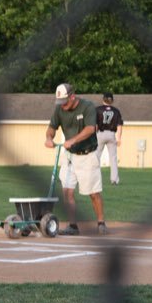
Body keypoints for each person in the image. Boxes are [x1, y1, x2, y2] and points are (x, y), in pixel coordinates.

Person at [45, 83, 107, 235]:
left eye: (65, 102)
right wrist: (48, 138)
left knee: (93, 193)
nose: (62, 106)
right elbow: (52, 127)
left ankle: (101, 223)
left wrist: (73, 140)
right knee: (67, 191)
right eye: (60, 103)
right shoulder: (60, 109)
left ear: (72, 96)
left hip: (87, 155)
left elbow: (90, 128)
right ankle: (73, 226)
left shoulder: (87, 107)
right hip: (69, 156)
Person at [96, 92, 123, 185]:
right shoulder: (116, 111)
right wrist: (119, 138)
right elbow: (119, 126)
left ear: (103, 99)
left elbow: (95, 125)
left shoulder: (98, 109)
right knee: (113, 158)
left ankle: (96, 179)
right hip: (111, 134)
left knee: (96, 157)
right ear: (112, 100)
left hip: (100, 133)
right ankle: (114, 180)